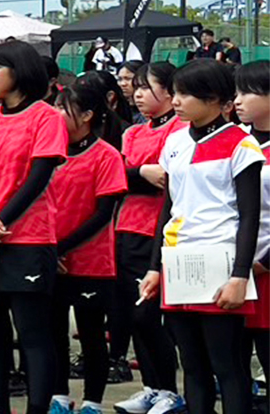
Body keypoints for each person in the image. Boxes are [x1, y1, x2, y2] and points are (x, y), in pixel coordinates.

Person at [138, 59, 260, 414]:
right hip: (178, 260)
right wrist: (154, 267)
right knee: (191, 365)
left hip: (219, 259)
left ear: (217, 100)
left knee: (226, 365)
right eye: (175, 92)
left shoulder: (241, 144)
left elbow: (250, 215)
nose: (176, 100)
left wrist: (240, 276)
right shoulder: (174, 143)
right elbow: (168, 208)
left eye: (187, 93)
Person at [0, 41, 67, 414]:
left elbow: (38, 177)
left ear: (17, 71)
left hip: (26, 238)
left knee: (33, 332)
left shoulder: (45, 116)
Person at [44, 78, 127, 414]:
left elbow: (103, 214)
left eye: (65, 109)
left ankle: (93, 402)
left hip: (91, 261)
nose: (57, 114)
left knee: (92, 337)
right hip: (50, 257)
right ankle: (60, 397)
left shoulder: (106, 155)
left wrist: (61, 247)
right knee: (53, 335)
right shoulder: (49, 153)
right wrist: (49, 249)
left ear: (89, 114)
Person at [109, 63, 185, 414]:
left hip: (157, 232)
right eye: (134, 87)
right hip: (125, 228)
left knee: (147, 316)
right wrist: (140, 172)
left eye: (146, 87)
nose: (137, 94)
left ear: (170, 92)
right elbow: (116, 177)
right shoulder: (133, 133)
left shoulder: (180, 129)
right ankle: (151, 388)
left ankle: (170, 390)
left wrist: (134, 175)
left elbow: (168, 180)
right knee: (130, 313)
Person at [231, 61, 270, 399]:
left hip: (264, 269)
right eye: (236, 92)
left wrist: (263, 263)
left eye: (247, 92)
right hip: (233, 270)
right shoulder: (236, 142)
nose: (238, 100)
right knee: (233, 365)